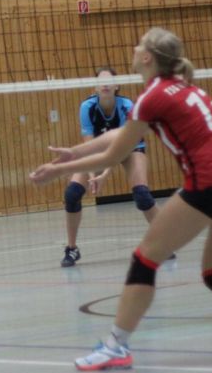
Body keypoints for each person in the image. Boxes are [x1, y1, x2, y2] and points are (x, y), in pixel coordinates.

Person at [30, 27, 212, 371]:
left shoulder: (153, 96)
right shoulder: (183, 88)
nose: (134, 46)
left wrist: (56, 170)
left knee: (145, 259)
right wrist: (73, 153)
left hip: (211, 182)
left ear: (147, 57)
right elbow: (117, 134)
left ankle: (115, 347)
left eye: (139, 44)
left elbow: (113, 155)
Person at [59, 68, 158, 268]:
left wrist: (104, 174)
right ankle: (72, 249)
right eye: (101, 81)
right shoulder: (87, 107)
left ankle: (164, 241)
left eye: (110, 81)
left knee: (142, 195)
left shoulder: (126, 106)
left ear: (117, 85)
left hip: (130, 148)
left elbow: (120, 149)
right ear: (95, 87)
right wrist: (92, 176)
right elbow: (88, 147)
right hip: (97, 151)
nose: (105, 84)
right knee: (72, 194)